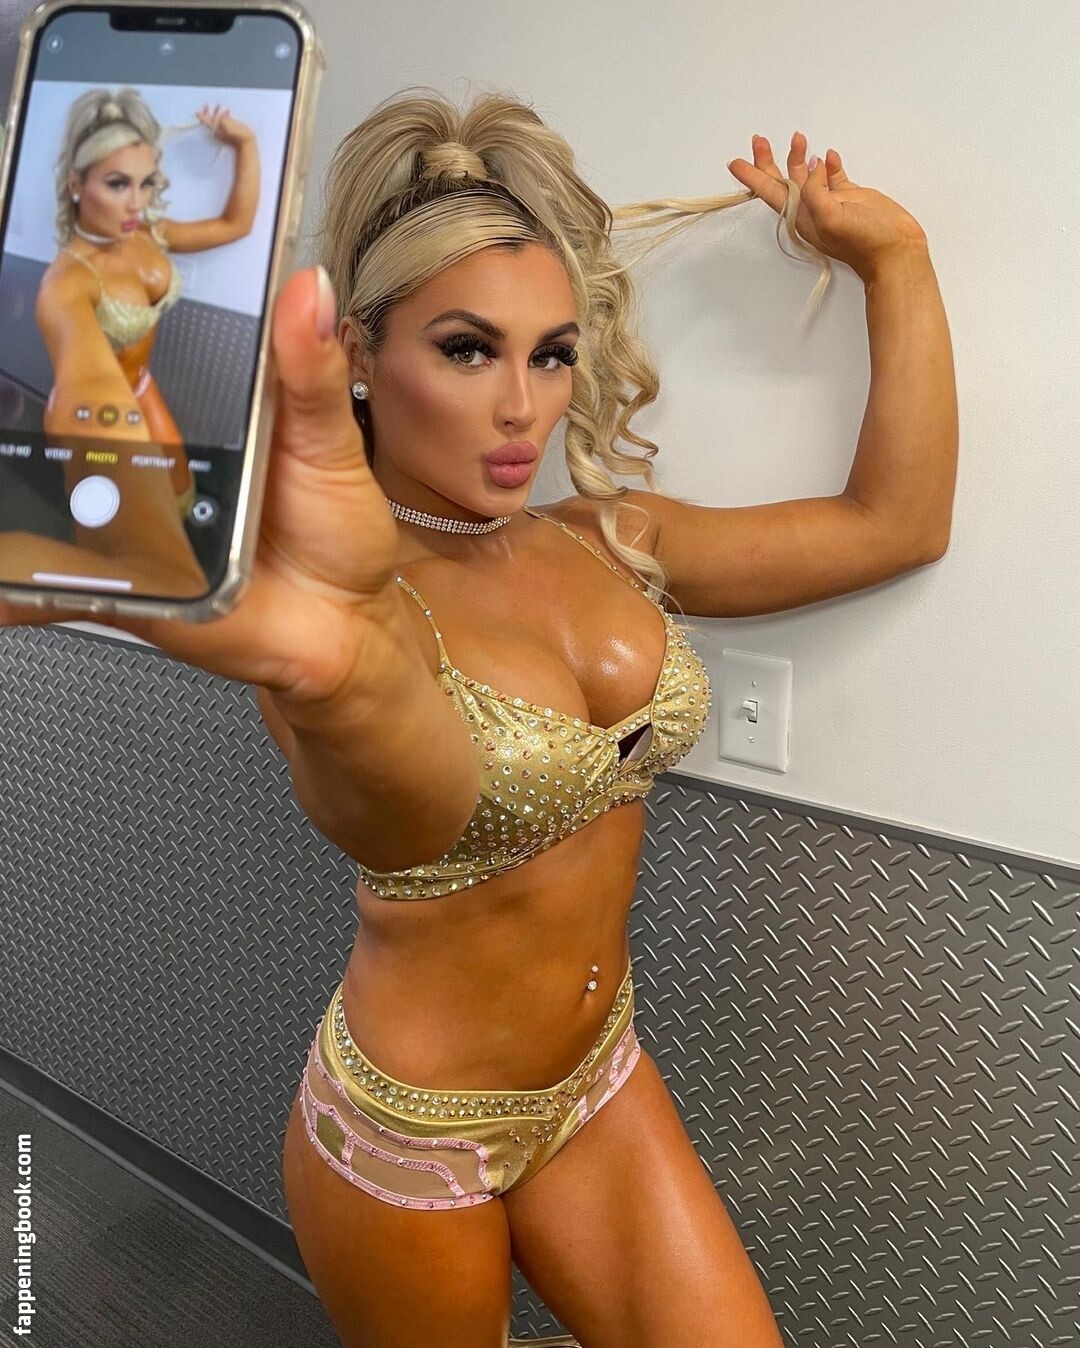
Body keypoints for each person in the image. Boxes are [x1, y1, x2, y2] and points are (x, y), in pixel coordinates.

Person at [0, 86, 954, 1348]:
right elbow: (400, 811)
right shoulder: (345, 606)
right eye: (466, 349)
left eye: (551, 353)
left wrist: (896, 258)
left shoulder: (608, 537)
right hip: (411, 1137)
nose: (523, 409)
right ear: (357, 353)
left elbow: (894, 523)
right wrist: (344, 679)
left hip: (601, 1075)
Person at [37, 86, 260, 516]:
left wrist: (244, 142)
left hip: (141, 383)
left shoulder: (148, 232)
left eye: (146, 183)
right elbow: (80, 382)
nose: (136, 203)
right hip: (94, 413)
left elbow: (236, 224)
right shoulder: (65, 283)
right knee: (125, 520)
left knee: (180, 492)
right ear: (76, 185)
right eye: (117, 184)